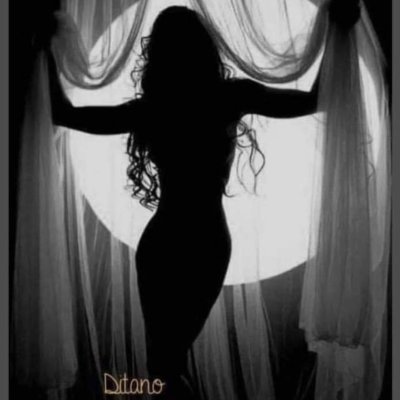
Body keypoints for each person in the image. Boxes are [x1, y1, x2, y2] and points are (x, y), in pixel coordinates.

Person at [47, 3, 360, 399]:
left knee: (163, 361)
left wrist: (42, 48)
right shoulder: (228, 98)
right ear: (206, 48)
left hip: (164, 242)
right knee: (168, 361)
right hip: (206, 241)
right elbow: (318, 99)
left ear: (157, 56)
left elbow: (63, 114)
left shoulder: (152, 110)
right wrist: (338, 32)